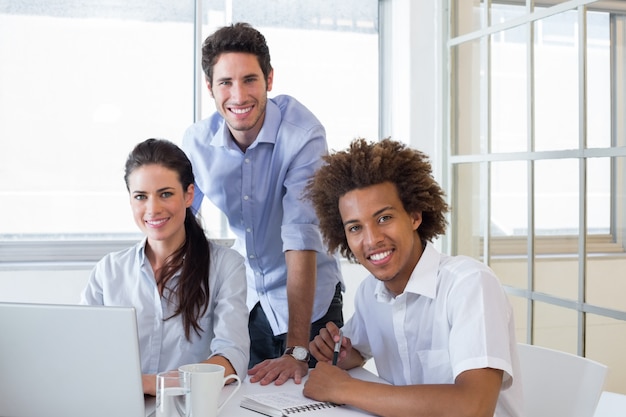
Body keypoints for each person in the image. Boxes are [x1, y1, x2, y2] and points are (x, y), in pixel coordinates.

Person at [302, 138, 523, 417]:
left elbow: (474, 407)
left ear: (415, 216)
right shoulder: (371, 293)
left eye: (384, 218)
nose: (371, 240)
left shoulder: (469, 285)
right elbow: (357, 349)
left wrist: (344, 389)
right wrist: (342, 355)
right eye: (355, 227)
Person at [181, 22, 344, 386]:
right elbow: (177, 225)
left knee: (314, 399)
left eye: (250, 79)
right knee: (249, 399)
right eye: (225, 82)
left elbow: (300, 236)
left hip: (312, 305)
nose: (238, 96)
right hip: (251, 303)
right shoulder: (197, 143)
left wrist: (297, 350)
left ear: (270, 79)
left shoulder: (302, 134)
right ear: (210, 88)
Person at [81, 138, 249, 396]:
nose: (152, 209)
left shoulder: (226, 266)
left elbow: (231, 358)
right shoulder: (110, 271)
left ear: (188, 195)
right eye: (141, 196)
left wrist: (151, 384)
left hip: (190, 407)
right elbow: (82, 351)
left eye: (166, 194)